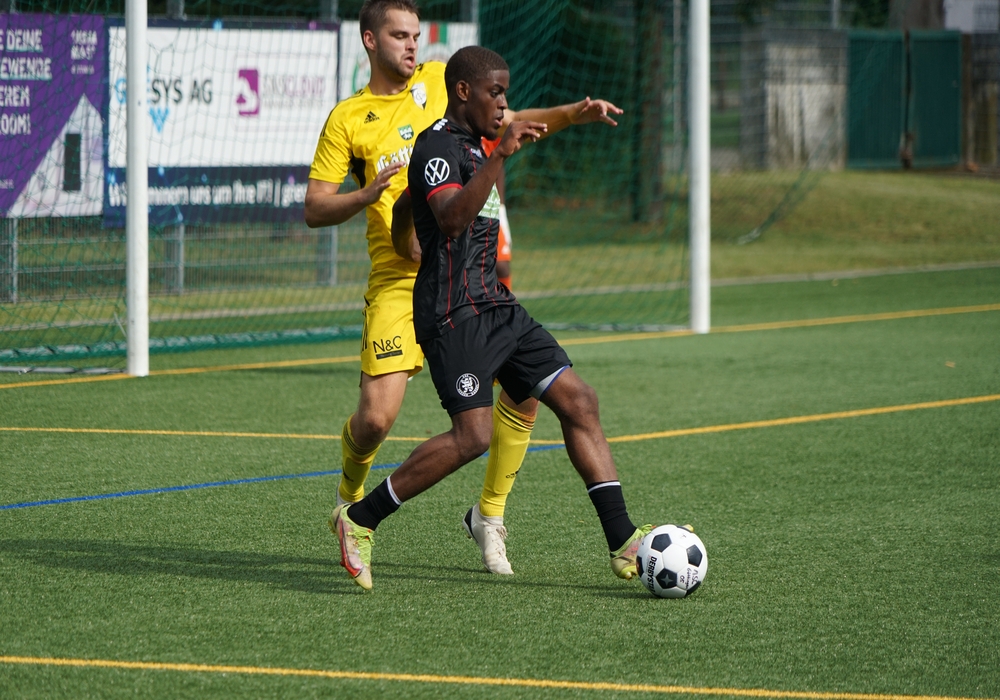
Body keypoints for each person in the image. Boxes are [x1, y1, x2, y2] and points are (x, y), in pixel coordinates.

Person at [304, 0, 623, 576]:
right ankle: (352, 503)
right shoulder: (351, 119)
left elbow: (511, 119)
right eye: (399, 35)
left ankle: (493, 517)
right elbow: (317, 208)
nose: (411, 45)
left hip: (476, 285)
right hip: (411, 285)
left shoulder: (444, 84)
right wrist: (370, 197)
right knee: (379, 421)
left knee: (541, 394)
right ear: (370, 40)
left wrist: (574, 113)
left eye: (416, 34)